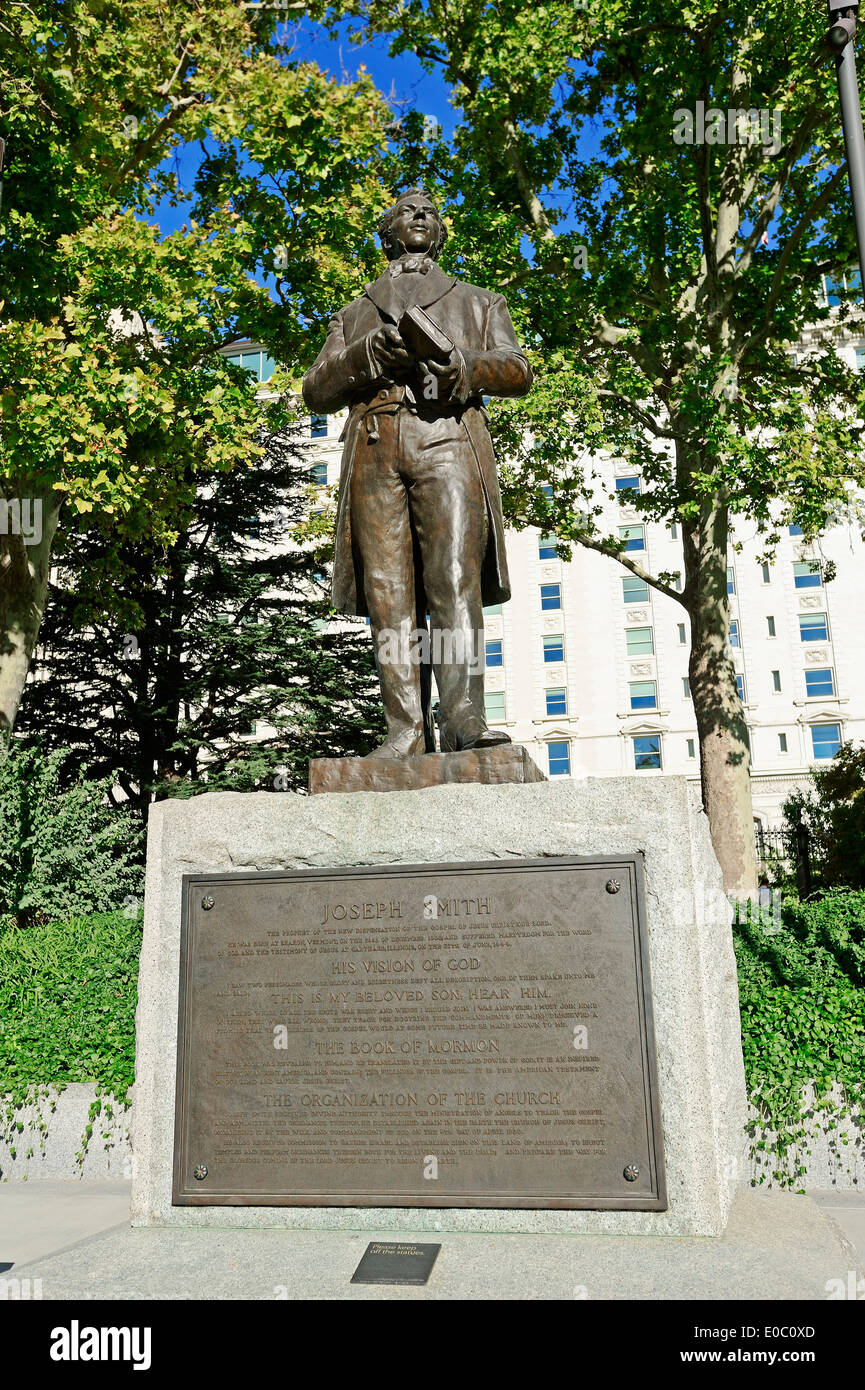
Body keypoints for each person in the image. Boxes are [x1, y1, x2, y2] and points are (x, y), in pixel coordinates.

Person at [303, 188, 532, 758]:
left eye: (430, 210)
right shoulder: (353, 312)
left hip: (448, 438)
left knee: (453, 579)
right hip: (375, 447)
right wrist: (370, 353)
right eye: (408, 210)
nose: (422, 215)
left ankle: (462, 718)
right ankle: (403, 730)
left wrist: (468, 366)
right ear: (388, 233)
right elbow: (315, 391)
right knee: (388, 593)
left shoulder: (479, 301)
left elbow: (519, 370)